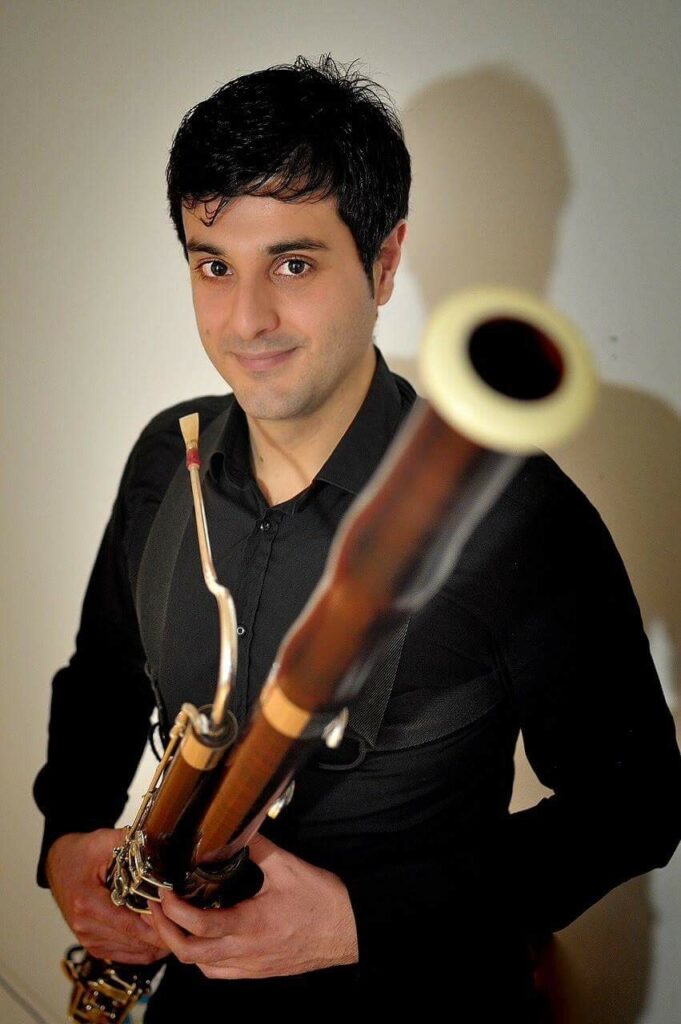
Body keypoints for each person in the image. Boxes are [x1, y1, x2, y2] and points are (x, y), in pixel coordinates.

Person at [34, 55, 681, 1020]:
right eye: (214, 266)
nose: (246, 320)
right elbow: (103, 679)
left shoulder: (511, 510)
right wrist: (66, 840)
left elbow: (637, 805)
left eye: (293, 264)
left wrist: (358, 921)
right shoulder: (167, 459)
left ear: (383, 263)